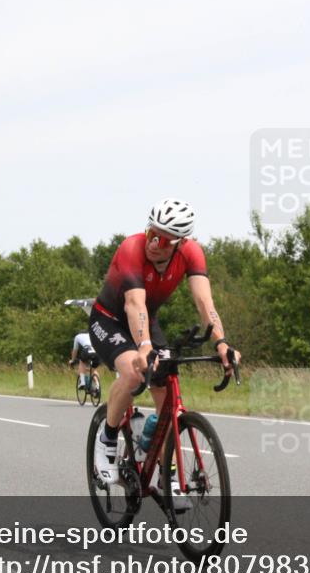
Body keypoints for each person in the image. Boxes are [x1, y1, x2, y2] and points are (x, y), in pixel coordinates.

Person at [87, 198, 241, 495]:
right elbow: (134, 304)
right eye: (152, 233)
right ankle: (107, 438)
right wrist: (144, 346)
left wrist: (221, 342)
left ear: (181, 243)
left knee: (167, 392)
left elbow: (204, 302)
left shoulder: (191, 254)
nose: (154, 243)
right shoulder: (131, 248)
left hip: (147, 320)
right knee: (133, 373)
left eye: (164, 240)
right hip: (109, 320)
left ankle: (164, 468)